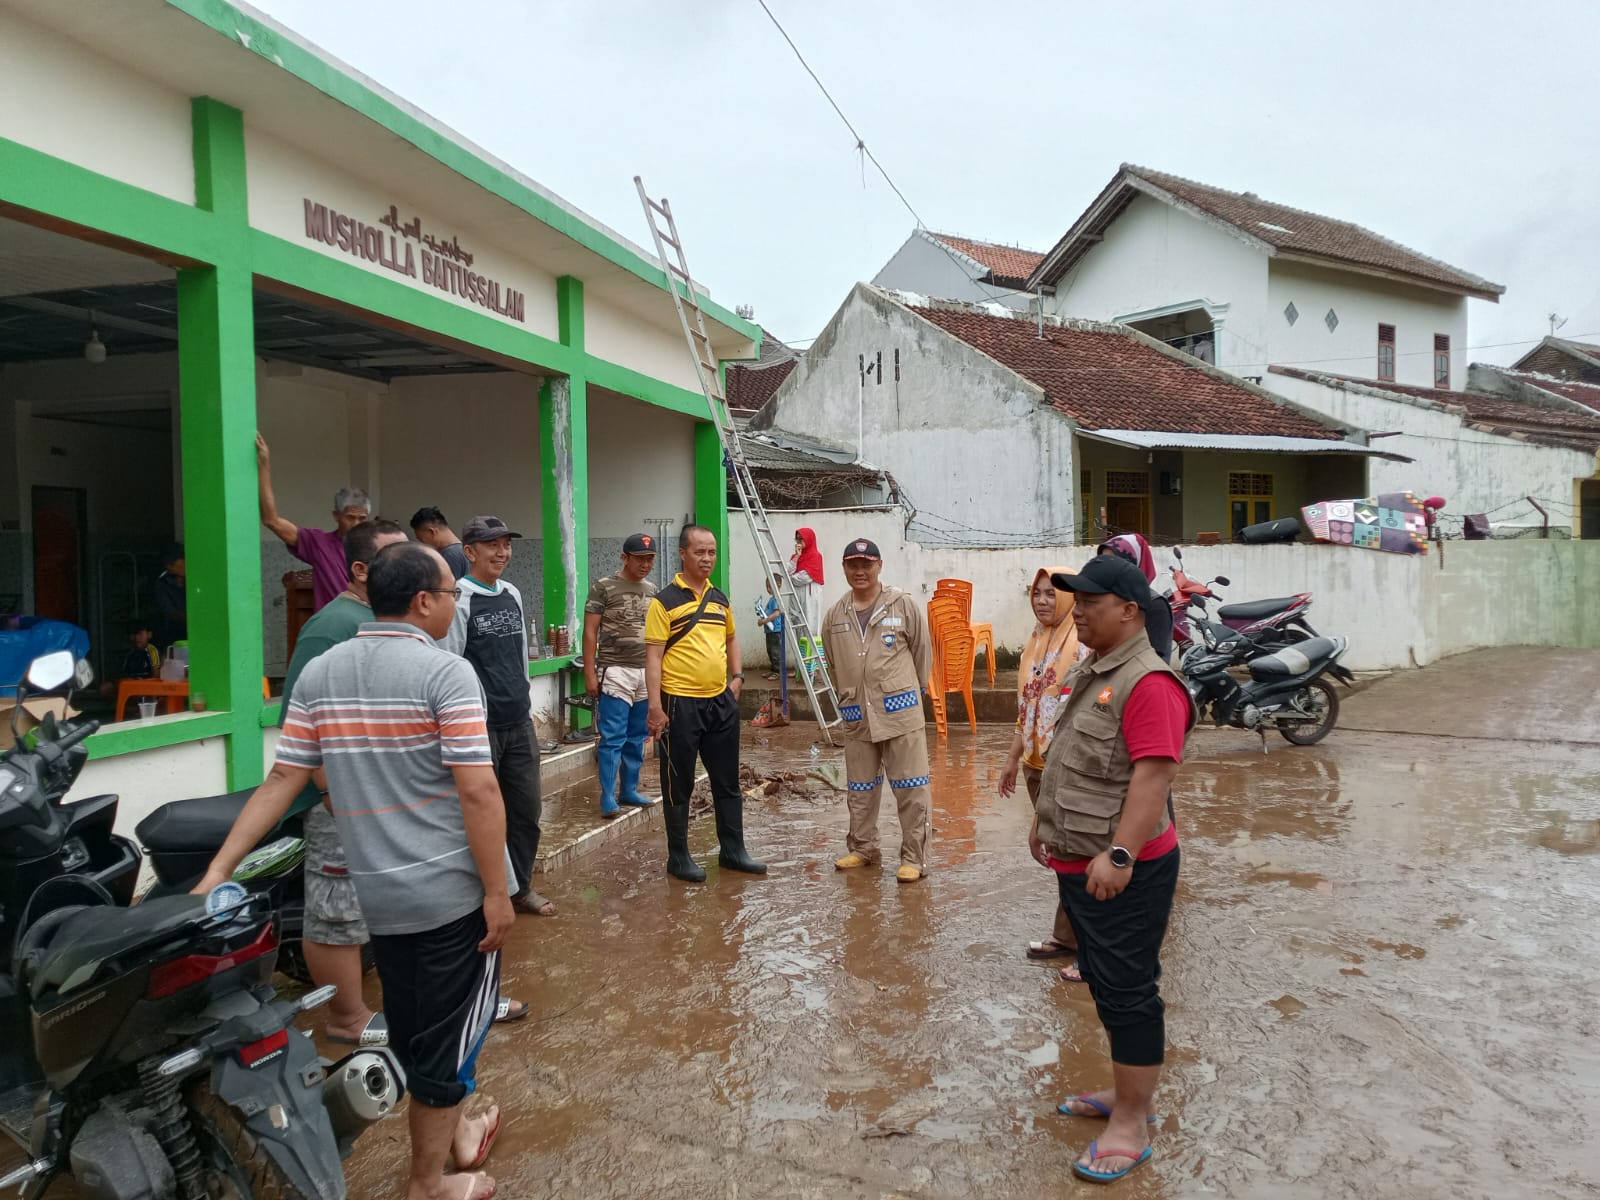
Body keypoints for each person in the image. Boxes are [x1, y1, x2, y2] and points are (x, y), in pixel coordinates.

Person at [194, 541, 511, 1200]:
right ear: (424, 601)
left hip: (381, 896)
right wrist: (495, 891)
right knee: (447, 1043)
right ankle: (428, 1185)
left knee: (418, 1029)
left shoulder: (322, 672)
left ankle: (450, 1138)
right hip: (450, 895)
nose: (456, 605)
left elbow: (284, 776)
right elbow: (478, 792)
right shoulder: (447, 674)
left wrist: (217, 870)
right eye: (451, 592)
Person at [1031, 554, 1193, 1184]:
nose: (1081, 611)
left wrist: (1121, 854)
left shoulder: (1148, 682)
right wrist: (1043, 825)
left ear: (1129, 611)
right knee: (1102, 981)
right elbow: (1075, 759)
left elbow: (1154, 778)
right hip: (1084, 862)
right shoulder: (1098, 668)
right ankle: (1129, 1094)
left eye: (1092, 602)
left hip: (1125, 867)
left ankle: (1130, 1124)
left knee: (1128, 992)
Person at [276, 518, 409, 1046]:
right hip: (338, 798)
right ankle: (347, 1018)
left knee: (369, 905)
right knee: (335, 907)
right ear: (360, 569)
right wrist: (332, 794)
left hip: (379, 795)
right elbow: (300, 725)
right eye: (395, 556)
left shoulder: (383, 619)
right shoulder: (331, 628)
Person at [443, 515, 553, 917]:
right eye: (492, 545)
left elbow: (520, 652)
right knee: (482, 816)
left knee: (527, 812)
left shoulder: (511, 592)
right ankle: (480, 897)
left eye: (506, 544)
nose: (502, 552)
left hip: (519, 723)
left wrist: (524, 696)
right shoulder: (458, 598)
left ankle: (519, 889)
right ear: (469, 551)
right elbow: (451, 663)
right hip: (480, 727)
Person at [645, 524, 766, 882]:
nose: (707, 558)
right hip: (679, 703)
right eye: (700, 552)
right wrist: (655, 706)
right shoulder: (663, 601)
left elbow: (731, 639)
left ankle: (733, 851)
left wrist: (738, 677)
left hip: (720, 702)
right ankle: (678, 857)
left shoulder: (719, 598)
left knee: (727, 781)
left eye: (712, 552)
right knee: (677, 782)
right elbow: (653, 657)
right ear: (683, 553)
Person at [820, 538, 933, 883]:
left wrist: (911, 689)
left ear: (879, 566)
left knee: (911, 788)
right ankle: (863, 848)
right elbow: (834, 663)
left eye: (866, 564)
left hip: (900, 712)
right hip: (857, 714)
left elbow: (922, 653)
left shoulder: (902, 605)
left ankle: (914, 857)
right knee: (861, 787)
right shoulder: (835, 615)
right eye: (853, 564)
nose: (860, 571)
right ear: (844, 569)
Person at [998, 567, 1084, 982]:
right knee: (1062, 857)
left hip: (1064, 768)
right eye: (1037, 593)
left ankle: (1093, 950)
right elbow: (1027, 707)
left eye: (1051, 594)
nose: (1043, 600)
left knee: (1077, 856)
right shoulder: (1035, 641)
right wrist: (1013, 759)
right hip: (1035, 764)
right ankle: (1066, 938)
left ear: (1068, 598)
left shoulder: (1081, 643)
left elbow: (1071, 718)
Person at [582, 532, 661, 818]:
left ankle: (628, 789)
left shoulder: (652, 589)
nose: (645, 564)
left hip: (645, 671)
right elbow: (590, 631)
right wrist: (590, 673)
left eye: (650, 559)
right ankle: (607, 797)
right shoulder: (603, 587)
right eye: (640, 559)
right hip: (615, 671)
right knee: (612, 736)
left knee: (637, 735)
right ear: (624, 557)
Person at [256, 432, 371, 612]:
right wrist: (264, 465)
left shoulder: (377, 547)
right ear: (336, 516)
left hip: (368, 629)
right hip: (333, 628)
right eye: (350, 517)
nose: (356, 524)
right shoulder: (319, 543)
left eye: (362, 518)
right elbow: (271, 520)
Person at [788, 527, 825, 672]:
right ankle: (800, 667)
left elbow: (804, 577)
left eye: (801, 539)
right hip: (796, 595)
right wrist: (797, 556)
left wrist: (791, 578)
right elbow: (787, 570)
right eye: (797, 539)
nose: (798, 542)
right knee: (798, 626)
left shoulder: (815, 556)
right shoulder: (795, 557)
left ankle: (811, 667)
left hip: (810, 595)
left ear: (808, 540)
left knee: (810, 626)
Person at [411, 506, 470, 581]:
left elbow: (446, 589)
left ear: (432, 532)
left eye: (422, 540)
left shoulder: (449, 555)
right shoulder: (464, 550)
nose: (423, 544)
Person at [152, 543, 186, 652]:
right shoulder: (163, 583)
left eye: (172, 563)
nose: (169, 567)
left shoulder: (199, 577)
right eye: (167, 564)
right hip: (174, 635)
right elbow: (170, 612)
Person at [756, 576, 786, 680]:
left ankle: (777, 671)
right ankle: (773, 670)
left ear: (778, 586)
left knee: (775, 651)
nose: (768, 589)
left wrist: (764, 621)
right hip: (770, 630)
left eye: (770, 587)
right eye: (767, 587)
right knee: (770, 650)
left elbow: (776, 613)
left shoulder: (775, 599)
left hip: (775, 630)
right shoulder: (771, 599)